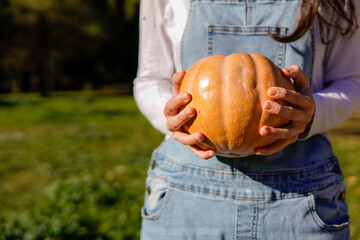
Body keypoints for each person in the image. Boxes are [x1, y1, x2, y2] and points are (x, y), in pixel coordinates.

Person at [134, 0, 360, 239]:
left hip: (301, 199)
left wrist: (311, 114)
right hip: (185, 196)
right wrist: (172, 117)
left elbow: (350, 78)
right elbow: (150, 79)